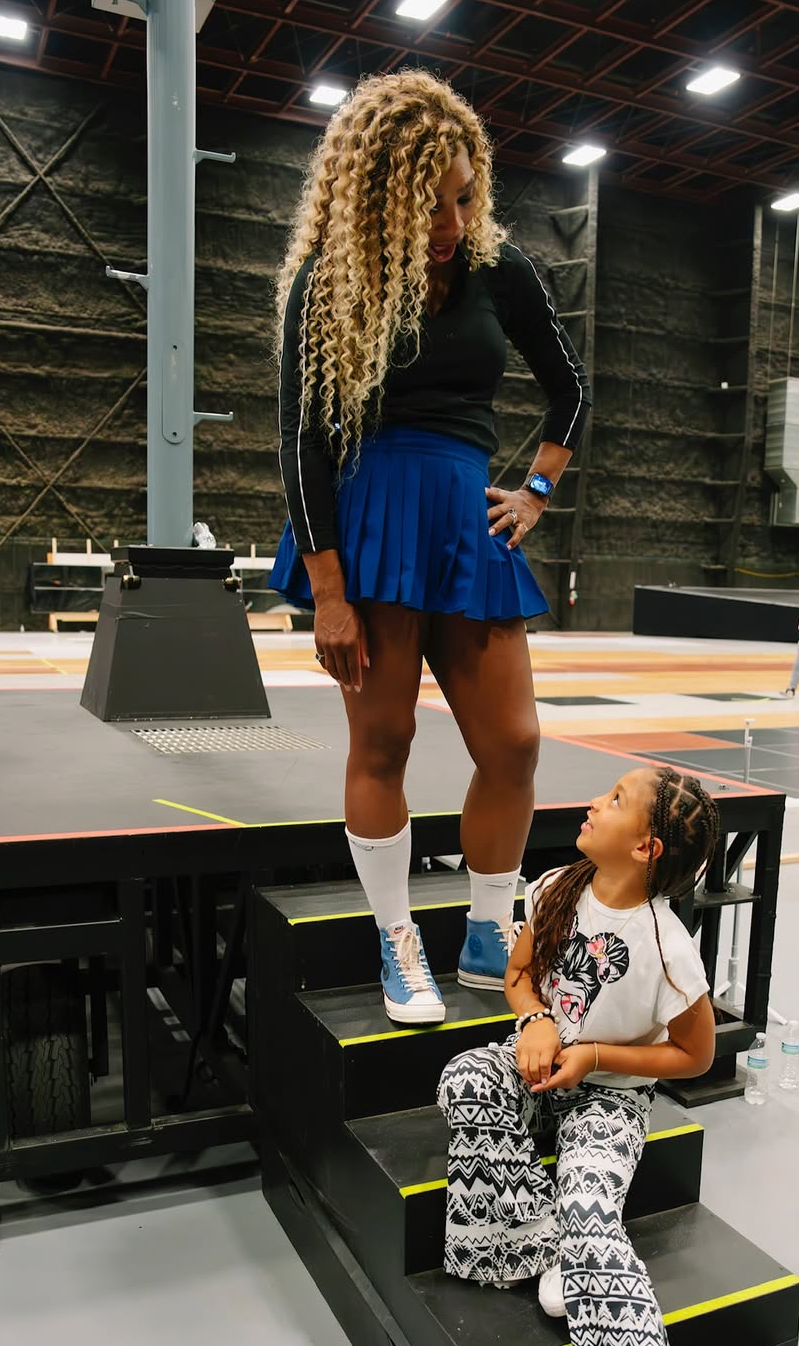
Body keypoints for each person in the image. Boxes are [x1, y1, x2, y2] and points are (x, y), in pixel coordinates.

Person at [271, 72, 591, 1025]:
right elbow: (299, 443)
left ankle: (489, 930)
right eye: (430, 204)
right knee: (385, 742)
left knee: (515, 743)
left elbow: (570, 389)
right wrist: (330, 593)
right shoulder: (328, 283)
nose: (451, 221)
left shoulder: (500, 268)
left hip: (466, 518)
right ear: (379, 199)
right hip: (372, 523)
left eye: (463, 196)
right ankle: (397, 939)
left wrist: (536, 491)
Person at [437, 766, 719, 1346]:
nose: (595, 801)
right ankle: (541, 1244)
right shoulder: (556, 887)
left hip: (609, 1096)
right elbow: (517, 975)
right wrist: (533, 1020)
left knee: (592, 1208)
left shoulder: (669, 949)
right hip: (539, 1069)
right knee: (464, 1078)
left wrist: (593, 1056)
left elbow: (695, 1055)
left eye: (615, 800)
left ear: (646, 847)